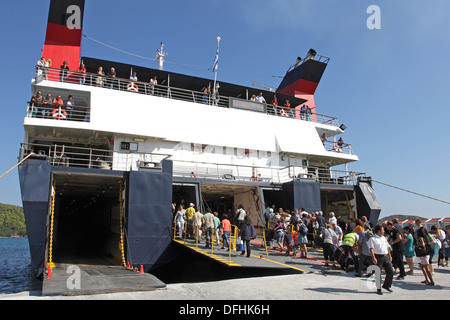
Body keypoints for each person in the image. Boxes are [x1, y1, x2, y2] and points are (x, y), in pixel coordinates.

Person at [368, 224, 394, 295]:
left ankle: (386, 285)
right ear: (379, 231)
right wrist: (373, 258)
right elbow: (371, 249)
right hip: (378, 257)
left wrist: (390, 256)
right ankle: (379, 289)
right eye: (382, 230)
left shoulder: (383, 238)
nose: (384, 231)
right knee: (378, 273)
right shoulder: (372, 239)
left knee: (390, 271)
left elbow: (387, 247)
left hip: (385, 256)